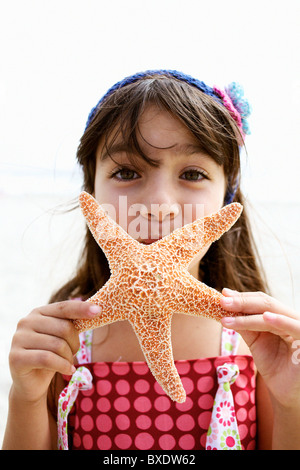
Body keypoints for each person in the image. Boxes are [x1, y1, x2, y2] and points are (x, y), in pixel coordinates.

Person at [2, 70, 300, 451]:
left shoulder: (257, 344)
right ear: (91, 192)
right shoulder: (64, 344)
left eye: (192, 173)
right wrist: (25, 395)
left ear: (228, 197)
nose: (158, 205)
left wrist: (293, 402)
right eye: (127, 172)